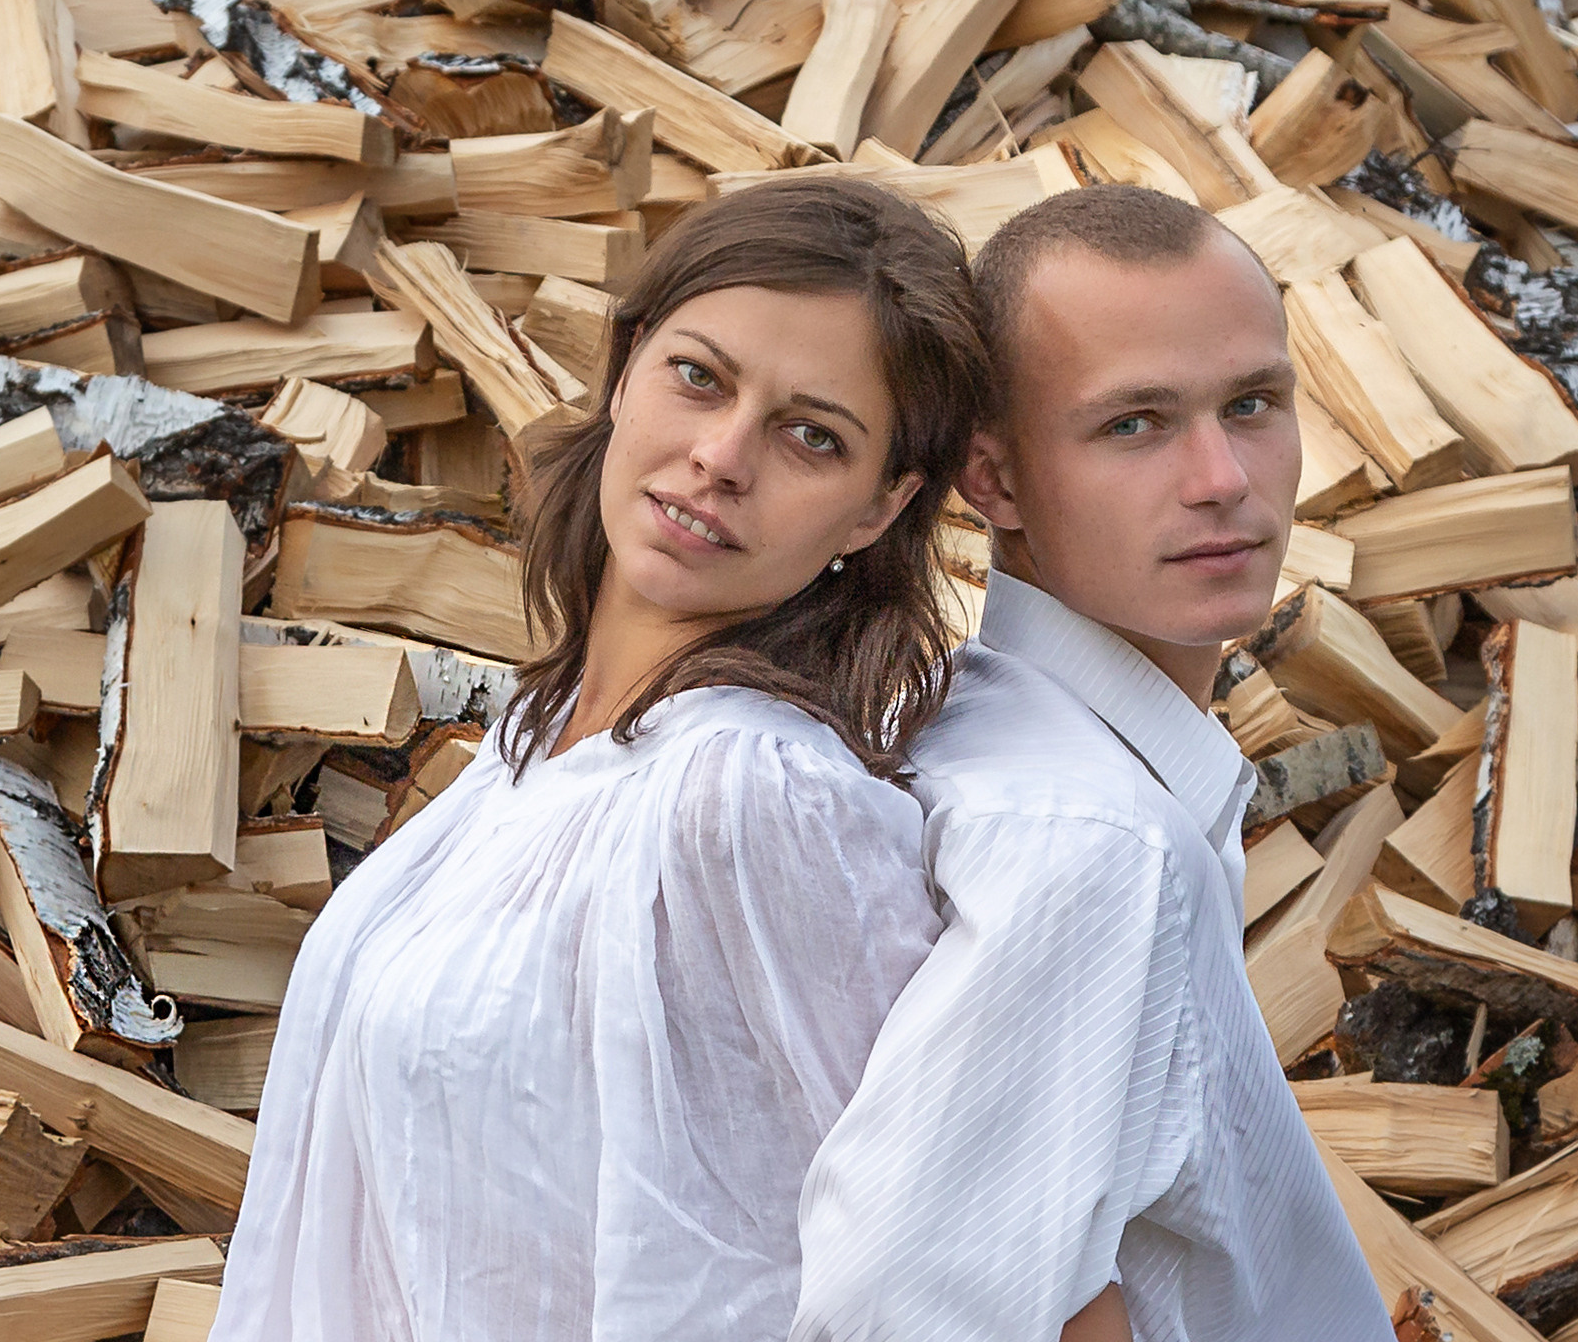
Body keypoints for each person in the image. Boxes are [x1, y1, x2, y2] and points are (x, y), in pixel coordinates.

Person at [209, 178, 991, 1342]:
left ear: (880, 507)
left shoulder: (754, 795)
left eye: (812, 436)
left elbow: (915, 1253)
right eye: (700, 377)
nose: (722, 456)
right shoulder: (541, 737)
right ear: (624, 370)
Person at [791, 185, 1396, 1342]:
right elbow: (907, 1304)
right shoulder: (1087, 838)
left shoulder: (1040, 757)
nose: (1221, 476)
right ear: (995, 479)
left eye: (1252, 404)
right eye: (1136, 423)